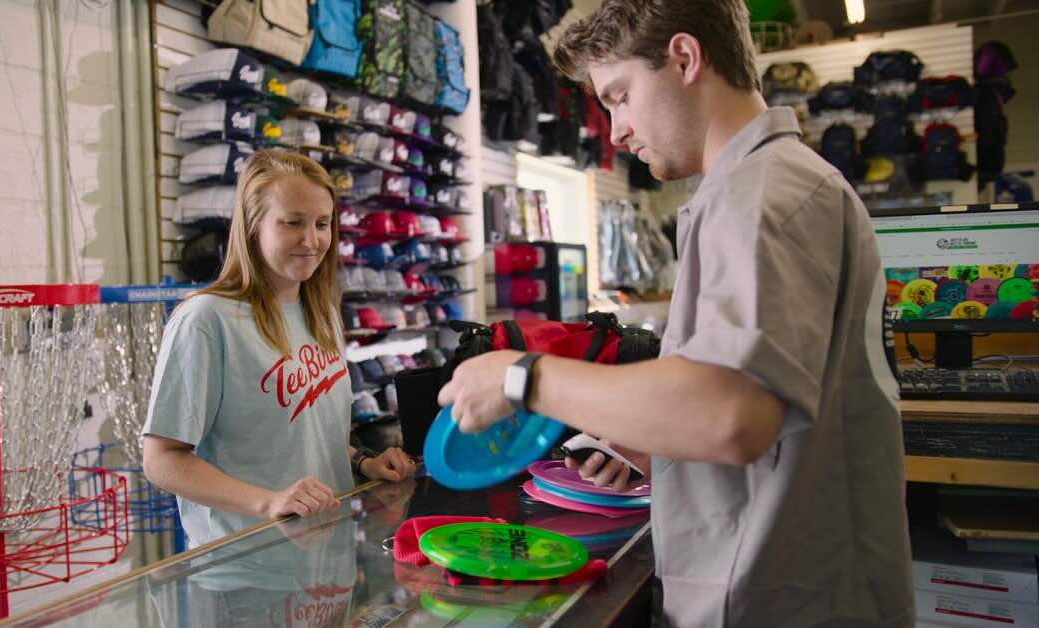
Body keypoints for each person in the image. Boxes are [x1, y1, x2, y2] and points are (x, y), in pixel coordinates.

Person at [437, 1, 913, 626]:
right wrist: (654, 440)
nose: (615, 130)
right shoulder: (750, 191)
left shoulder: (763, 197)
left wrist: (522, 378)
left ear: (685, 58)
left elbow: (730, 413)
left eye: (620, 95)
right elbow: (761, 401)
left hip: (781, 600)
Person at [142, 150, 415, 547]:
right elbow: (161, 459)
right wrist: (268, 503)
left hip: (325, 560)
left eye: (322, 224)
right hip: (245, 571)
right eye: (292, 223)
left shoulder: (321, 315)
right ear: (253, 226)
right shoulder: (205, 320)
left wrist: (362, 461)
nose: (312, 240)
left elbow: (299, 434)